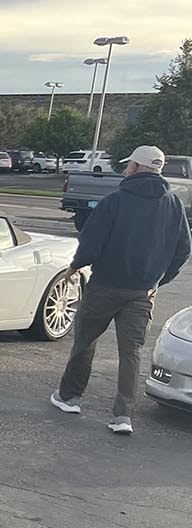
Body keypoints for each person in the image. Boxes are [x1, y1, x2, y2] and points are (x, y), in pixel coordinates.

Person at [50, 145, 190, 435]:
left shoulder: (115, 200)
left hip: (105, 286)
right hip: (142, 292)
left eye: (129, 165)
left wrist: (75, 267)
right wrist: (158, 281)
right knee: (131, 353)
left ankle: (69, 397)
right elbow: (183, 250)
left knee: (85, 342)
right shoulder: (173, 204)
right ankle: (122, 416)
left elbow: (91, 242)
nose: (126, 169)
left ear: (136, 167)